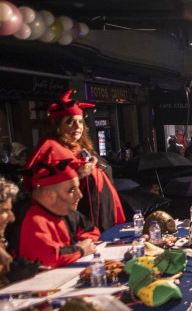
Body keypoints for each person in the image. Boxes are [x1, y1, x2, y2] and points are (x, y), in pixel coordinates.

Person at [27, 90, 125, 232]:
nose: (78, 127)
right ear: (58, 125)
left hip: (105, 218)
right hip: (81, 224)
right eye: (70, 122)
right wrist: (79, 174)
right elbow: (46, 188)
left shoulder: (81, 148)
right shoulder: (51, 149)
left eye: (80, 121)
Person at [20, 159, 99, 268]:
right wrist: (80, 249)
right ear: (49, 194)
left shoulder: (66, 212)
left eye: (78, 188)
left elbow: (91, 230)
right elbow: (48, 258)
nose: (80, 195)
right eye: (72, 190)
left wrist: (84, 242)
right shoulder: (32, 219)